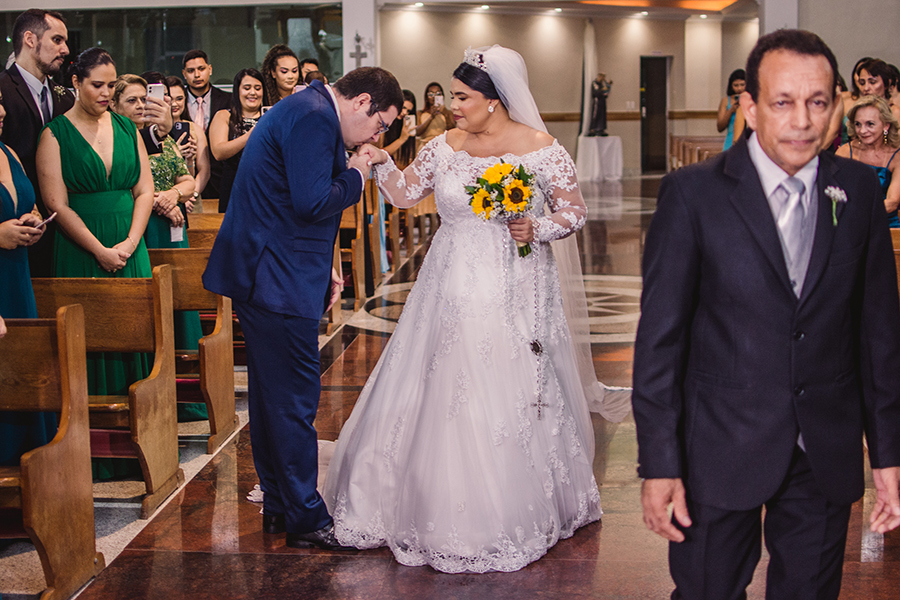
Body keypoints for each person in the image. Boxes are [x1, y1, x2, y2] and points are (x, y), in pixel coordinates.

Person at [323, 45, 631, 573]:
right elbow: (404, 193)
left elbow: (574, 211)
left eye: (462, 98)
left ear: (493, 100)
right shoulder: (444, 145)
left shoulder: (541, 148)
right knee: (439, 378)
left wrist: (538, 226)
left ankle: (508, 504)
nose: (453, 105)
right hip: (446, 280)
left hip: (512, 282)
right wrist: (381, 164)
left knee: (501, 382)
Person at [633, 29, 900, 599]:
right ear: (750, 107)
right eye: (783, 102)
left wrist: (888, 455)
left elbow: (878, 335)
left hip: (823, 447)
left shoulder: (855, 191)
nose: (802, 120)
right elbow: (660, 341)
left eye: (819, 102)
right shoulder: (692, 194)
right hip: (718, 448)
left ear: (835, 107)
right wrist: (659, 462)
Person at [202, 68, 403, 550]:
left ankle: (279, 504)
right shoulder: (315, 118)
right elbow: (315, 201)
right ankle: (307, 519)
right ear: (360, 103)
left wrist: (327, 261)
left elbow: (294, 197)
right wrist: (358, 170)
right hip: (276, 276)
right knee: (293, 400)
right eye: (380, 125)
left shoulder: (307, 108)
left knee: (273, 399)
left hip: (273, 268)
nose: (377, 136)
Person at [37, 48, 156, 479]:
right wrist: (100, 250)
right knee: (88, 344)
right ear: (76, 84)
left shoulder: (127, 127)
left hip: (130, 244)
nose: (107, 93)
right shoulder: (54, 134)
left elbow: (144, 189)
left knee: (135, 335)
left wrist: (129, 241)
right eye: (97, 85)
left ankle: (144, 448)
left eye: (111, 85)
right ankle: (94, 457)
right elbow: (57, 204)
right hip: (80, 250)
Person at [110, 75, 205, 387]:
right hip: (142, 228)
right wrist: (159, 201)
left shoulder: (158, 140)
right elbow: (127, 190)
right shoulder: (116, 143)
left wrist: (172, 196)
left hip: (172, 231)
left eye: (144, 100)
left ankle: (188, 385)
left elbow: (188, 179)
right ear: (114, 105)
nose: (141, 106)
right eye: (132, 101)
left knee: (179, 301)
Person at [0, 89, 55, 466]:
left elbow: (26, 201)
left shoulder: (9, 153)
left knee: (23, 371)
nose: (2, 110)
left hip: (18, 278)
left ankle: (32, 470)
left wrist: (32, 218)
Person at [0, 9, 73, 277]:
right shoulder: (3, 92)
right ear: (30, 39)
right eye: (57, 40)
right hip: (15, 229)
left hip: (63, 228)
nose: (65, 49)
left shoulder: (65, 98)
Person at [836, 95, 900, 227]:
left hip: (886, 225)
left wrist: (860, 212)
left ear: (886, 126)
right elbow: (834, 193)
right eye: (858, 124)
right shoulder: (845, 152)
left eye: (870, 124)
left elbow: (892, 202)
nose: (862, 131)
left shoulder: (897, 156)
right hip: (850, 224)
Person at [208, 68, 264, 213]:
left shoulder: (271, 114)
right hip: (234, 184)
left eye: (257, 88)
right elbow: (218, 152)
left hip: (266, 185)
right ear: (237, 91)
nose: (252, 92)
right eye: (247, 88)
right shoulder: (224, 115)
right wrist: (248, 136)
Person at [182, 50, 230, 199]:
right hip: (185, 177)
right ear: (184, 74)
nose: (197, 75)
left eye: (201, 69)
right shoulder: (177, 102)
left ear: (209, 69)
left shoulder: (229, 100)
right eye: (191, 71)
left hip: (220, 179)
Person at [167, 75, 211, 202]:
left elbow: (204, 170)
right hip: (163, 197)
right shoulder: (154, 130)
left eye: (179, 99)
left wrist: (192, 194)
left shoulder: (195, 129)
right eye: (170, 99)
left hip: (191, 198)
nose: (174, 104)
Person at [857, 58, 900, 122]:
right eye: (862, 83)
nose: (866, 88)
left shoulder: (895, 112)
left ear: (886, 84)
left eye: (872, 82)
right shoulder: (858, 111)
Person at [415, 81, 455, 148]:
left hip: (442, 146)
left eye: (438, 94)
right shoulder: (420, 113)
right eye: (431, 94)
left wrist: (444, 113)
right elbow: (418, 132)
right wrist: (431, 117)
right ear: (426, 97)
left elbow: (453, 130)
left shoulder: (448, 113)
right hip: (425, 146)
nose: (434, 97)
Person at [717, 68, 746, 150]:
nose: (739, 88)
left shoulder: (752, 101)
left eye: (742, 85)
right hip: (731, 139)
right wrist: (730, 111)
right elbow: (720, 127)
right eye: (736, 85)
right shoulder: (726, 101)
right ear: (731, 86)